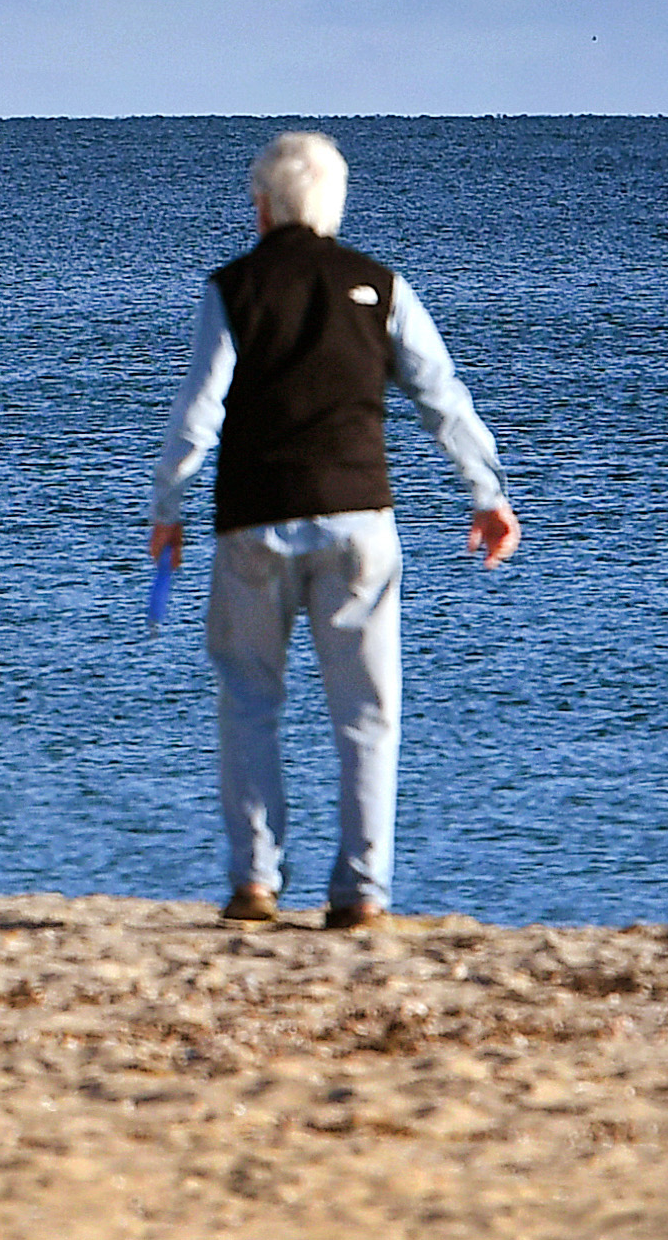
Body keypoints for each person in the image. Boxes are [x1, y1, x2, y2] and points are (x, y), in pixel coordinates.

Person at [149, 131, 519, 931]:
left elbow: (198, 411)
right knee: (367, 713)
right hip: (361, 521)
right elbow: (442, 399)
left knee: (249, 701)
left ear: (261, 207)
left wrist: (168, 508)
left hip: (253, 521)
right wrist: (484, 493)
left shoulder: (232, 288)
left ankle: (254, 883)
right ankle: (362, 893)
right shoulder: (380, 286)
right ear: (333, 205)